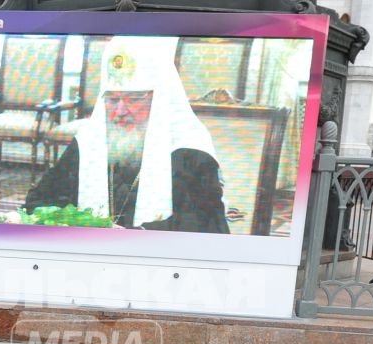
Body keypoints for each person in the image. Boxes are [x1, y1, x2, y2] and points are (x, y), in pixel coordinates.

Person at [21, 36, 226, 229]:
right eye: (112, 99)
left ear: (159, 100)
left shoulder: (191, 153)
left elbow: (205, 227)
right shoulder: (87, 144)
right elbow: (37, 201)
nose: (119, 111)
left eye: (133, 99)